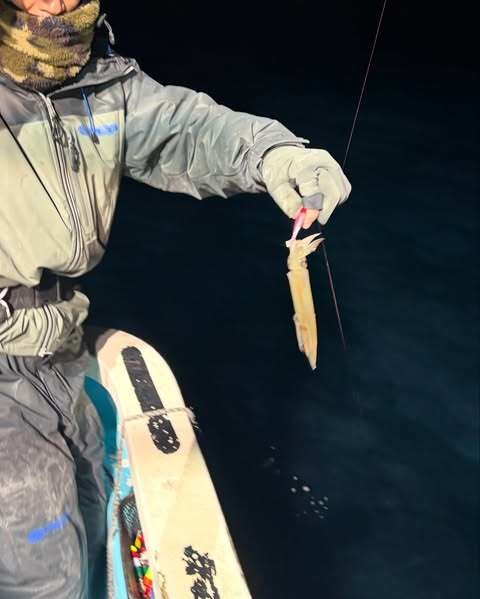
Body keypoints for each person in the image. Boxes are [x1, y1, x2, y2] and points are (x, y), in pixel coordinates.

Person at [0, 0, 351, 596]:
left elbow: (188, 130)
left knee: (94, 505)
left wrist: (275, 154)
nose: (54, 4)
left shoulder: (102, 85)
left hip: (57, 344)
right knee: (42, 570)